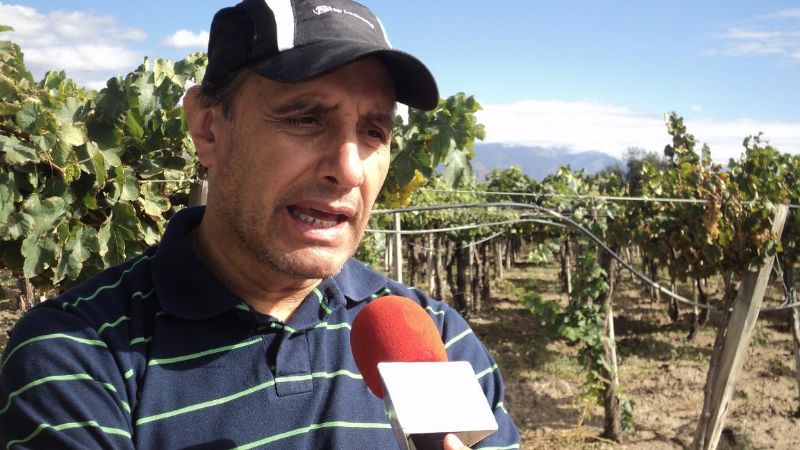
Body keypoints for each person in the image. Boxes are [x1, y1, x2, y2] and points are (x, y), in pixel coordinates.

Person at [0, 0, 520, 448]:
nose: (348, 168)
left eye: (373, 130)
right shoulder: (78, 359)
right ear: (207, 128)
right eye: (305, 118)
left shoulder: (436, 339)